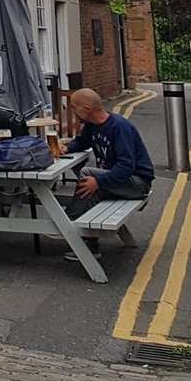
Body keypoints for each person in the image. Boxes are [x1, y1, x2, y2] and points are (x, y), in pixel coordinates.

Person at [61, 88, 155, 258]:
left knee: (88, 175)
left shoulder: (119, 127)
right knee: (88, 184)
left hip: (137, 183)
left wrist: (99, 182)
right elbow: (82, 142)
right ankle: (84, 238)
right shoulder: (92, 126)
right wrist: (66, 148)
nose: (72, 110)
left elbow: (126, 167)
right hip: (118, 181)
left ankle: (70, 223)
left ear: (87, 109)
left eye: (74, 107)